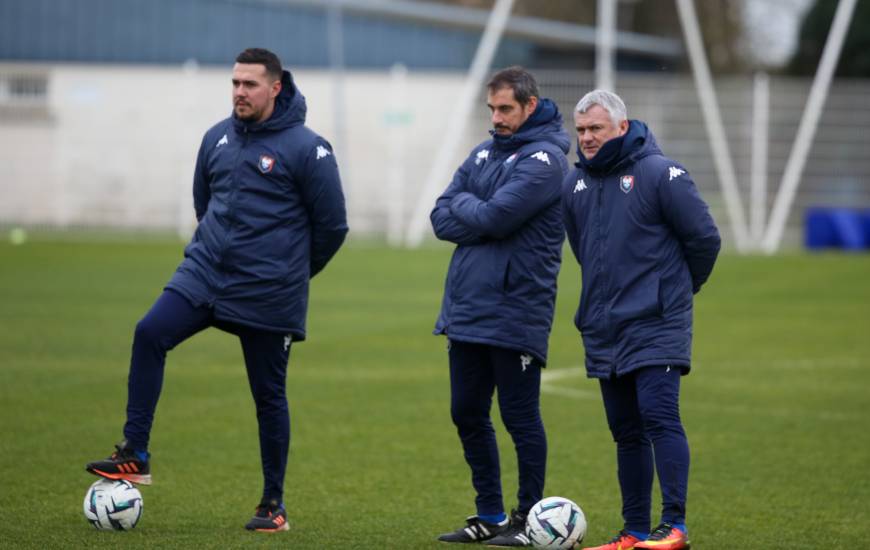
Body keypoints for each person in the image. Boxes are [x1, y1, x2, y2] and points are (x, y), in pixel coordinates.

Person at [85, 48, 348, 532]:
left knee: (268, 395)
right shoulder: (217, 137)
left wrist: (289, 273)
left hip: (267, 291)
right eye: (235, 83)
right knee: (149, 333)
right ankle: (135, 453)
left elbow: (333, 228)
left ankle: (273, 505)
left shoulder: (310, 148)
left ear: (275, 87)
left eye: (249, 84)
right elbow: (203, 202)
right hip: (204, 274)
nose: (240, 93)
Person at [561, 90, 720, 550]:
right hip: (604, 326)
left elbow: (705, 239)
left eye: (597, 129)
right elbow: (583, 250)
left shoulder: (658, 173)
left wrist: (675, 292)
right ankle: (632, 532)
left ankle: (674, 527)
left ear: (622, 126)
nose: (587, 138)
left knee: (659, 418)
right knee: (625, 432)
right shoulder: (575, 185)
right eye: (582, 130)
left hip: (657, 320)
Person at [431, 66, 571, 547]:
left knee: (519, 417)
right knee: (466, 412)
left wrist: (472, 207)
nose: (497, 118)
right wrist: (479, 212)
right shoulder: (484, 150)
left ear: (530, 105)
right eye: (492, 109)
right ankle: (488, 514)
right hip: (467, 307)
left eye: (505, 109)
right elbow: (439, 216)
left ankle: (529, 521)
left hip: (516, 309)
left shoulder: (547, 160)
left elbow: (494, 216)